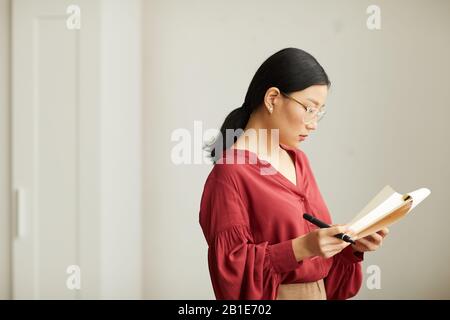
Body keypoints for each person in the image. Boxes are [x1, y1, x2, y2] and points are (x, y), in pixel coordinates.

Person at [199, 48, 389, 300]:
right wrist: (303, 247)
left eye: (320, 112)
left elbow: (315, 262)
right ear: (272, 98)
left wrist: (348, 245)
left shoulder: (299, 160)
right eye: (309, 109)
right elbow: (233, 277)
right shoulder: (229, 174)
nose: (314, 123)